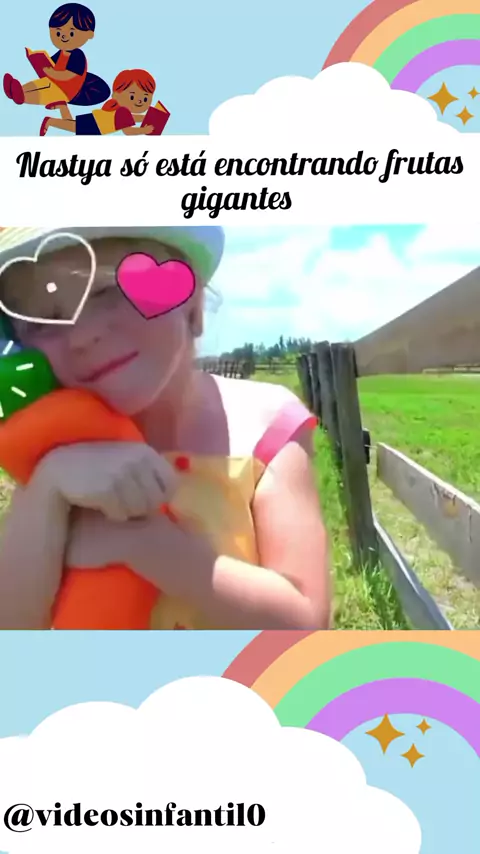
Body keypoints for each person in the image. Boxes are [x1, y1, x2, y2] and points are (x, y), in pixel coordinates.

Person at [0, 226, 331, 631]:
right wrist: (49, 485)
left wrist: (145, 544)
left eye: (108, 291)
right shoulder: (56, 446)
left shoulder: (264, 426)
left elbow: (306, 628)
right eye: (43, 321)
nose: (83, 336)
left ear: (191, 305)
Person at [3, 4, 109, 115]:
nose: (63, 36)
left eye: (71, 33)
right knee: (41, 84)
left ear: (89, 34)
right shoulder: (60, 53)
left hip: (68, 91)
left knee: (46, 92)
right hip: (54, 82)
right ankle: (17, 90)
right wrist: (39, 62)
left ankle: (22, 97)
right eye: (58, 32)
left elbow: (70, 74)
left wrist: (53, 73)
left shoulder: (77, 55)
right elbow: (51, 63)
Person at [40, 69, 156, 136]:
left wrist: (144, 118)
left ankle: (62, 106)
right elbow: (128, 131)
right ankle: (51, 121)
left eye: (145, 99)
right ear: (116, 94)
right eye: (132, 96)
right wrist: (143, 131)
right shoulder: (122, 112)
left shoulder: (120, 110)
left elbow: (131, 118)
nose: (139, 101)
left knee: (71, 124)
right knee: (72, 126)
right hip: (96, 126)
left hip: (96, 121)